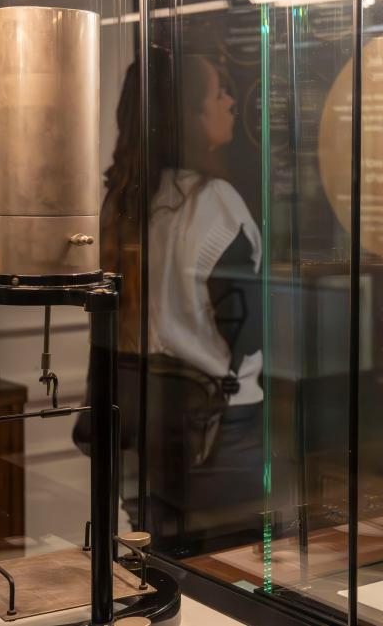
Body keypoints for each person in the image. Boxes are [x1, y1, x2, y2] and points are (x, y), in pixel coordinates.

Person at [77, 47, 264, 550]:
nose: (231, 102)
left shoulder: (121, 201)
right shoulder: (214, 203)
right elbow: (247, 329)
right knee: (227, 567)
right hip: (215, 428)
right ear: (188, 117)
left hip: (137, 421)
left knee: (155, 559)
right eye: (217, 93)